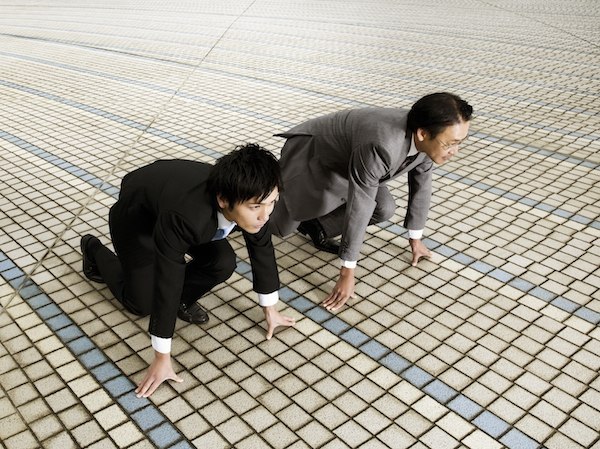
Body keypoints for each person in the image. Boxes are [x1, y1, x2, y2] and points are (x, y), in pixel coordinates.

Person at [80, 143, 295, 398]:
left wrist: (270, 309)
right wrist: (162, 358)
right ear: (224, 200)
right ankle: (93, 249)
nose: (265, 215)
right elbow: (168, 276)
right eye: (255, 207)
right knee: (140, 303)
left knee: (223, 262)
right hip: (138, 219)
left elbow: (262, 249)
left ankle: (183, 302)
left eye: (272, 202)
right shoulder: (187, 217)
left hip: (176, 206)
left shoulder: (254, 197)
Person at [270, 92, 473, 312]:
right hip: (314, 153)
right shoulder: (382, 145)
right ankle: (236, 213)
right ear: (423, 133)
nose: (455, 151)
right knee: (279, 226)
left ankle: (316, 227)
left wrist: (415, 238)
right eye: (450, 144)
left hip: (352, 160)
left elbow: (421, 185)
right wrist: (347, 272)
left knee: (384, 207)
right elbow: (361, 204)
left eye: (459, 143)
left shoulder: (427, 139)